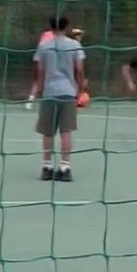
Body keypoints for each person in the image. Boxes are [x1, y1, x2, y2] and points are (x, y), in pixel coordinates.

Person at [32, 16, 87, 181]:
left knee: (48, 132)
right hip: (68, 92)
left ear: (50, 26)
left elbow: (40, 70)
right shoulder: (74, 45)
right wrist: (80, 89)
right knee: (66, 131)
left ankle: (47, 166)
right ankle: (65, 167)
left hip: (50, 92)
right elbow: (79, 69)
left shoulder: (44, 46)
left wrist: (40, 89)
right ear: (66, 26)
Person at [26, 24, 56, 110]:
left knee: (38, 81)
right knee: (50, 80)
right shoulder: (55, 36)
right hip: (47, 60)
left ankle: (30, 100)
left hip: (38, 59)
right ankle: (50, 102)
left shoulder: (44, 35)